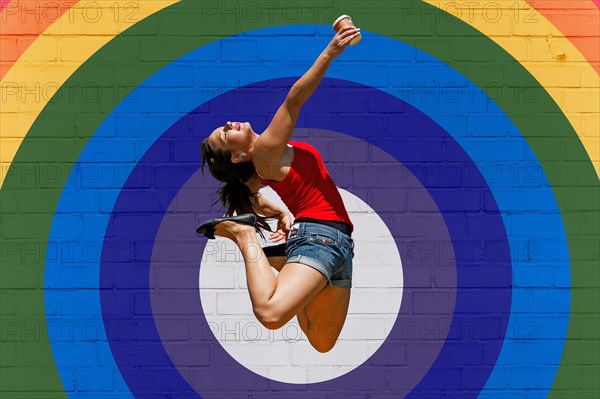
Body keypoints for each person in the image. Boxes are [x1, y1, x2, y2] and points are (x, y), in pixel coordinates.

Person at [198, 25, 361, 353]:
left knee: (321, 340)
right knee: (271, 314)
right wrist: (331, 52)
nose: (229, 124)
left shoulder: (259, 166)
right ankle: (245, 238)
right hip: (321, 238)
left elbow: (250, 191)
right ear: (239, 154)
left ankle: (286, 262)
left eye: (224, 125)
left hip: (337, 243)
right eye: (225, 134)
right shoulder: (265, 151)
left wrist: (280, 212)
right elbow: (294, 98)